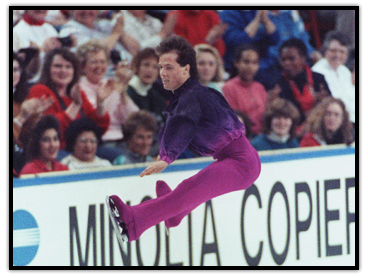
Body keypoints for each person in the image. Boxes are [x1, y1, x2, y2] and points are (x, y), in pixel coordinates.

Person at [106, 36, 261, 243]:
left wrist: (166, 157)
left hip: (241, 163)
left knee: (190, 188)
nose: (161, 72)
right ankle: (175, 216)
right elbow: (173, 125)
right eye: (161, 67)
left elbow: (183, 127)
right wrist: (165, 154)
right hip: (237, 159)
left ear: (186, 69)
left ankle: (134, 222)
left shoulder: (192, 98)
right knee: (190, 188)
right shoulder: (189, 96)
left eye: (168, 67)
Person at [26, 48, 110, 148]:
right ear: (48, 69)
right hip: (56, 150)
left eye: (68, 67)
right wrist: (75, 105)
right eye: (58, 66)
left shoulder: (78, 94)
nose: (63, 71)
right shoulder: (39, 90)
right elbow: (51, 131)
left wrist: (100, 102)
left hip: (85, 149)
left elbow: (99, 129)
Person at [76, 40, 139, 145]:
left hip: (121, 138)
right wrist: (115, 93)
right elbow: (97, 119)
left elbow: (132, 118)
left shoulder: (109, 83)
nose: (99, 66)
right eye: (94, 62)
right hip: (97, 141)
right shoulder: (79, 87)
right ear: (83, 66)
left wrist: (123, 93)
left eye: (103, 62)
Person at [270, 38, 331, 125]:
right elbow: (289, 116)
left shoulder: (318, 78)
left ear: (303, 59)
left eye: (291, 59)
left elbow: (330, 106)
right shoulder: (278, 84)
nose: (287, 63)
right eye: (283, 59)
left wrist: (324, 102)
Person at [222, 44, 268, 136]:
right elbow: (234, 118)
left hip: (262, 135)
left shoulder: (259, 87)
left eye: (254, 63)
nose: (250, 67)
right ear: (236, 63)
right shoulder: (229, 87)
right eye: (246, 62)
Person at [311, 31, 355, 126]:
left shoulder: (344, 71)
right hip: (334, 121)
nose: (338, 55)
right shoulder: (317, 72)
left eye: (342, 52)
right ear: (325, 51)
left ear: (347, 55)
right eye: (333, 51)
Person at [61, 10, 139, 62]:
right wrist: (115, 34)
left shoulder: (105, 25)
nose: (87, 11)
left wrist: (120, 30)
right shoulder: (68, 31)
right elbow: (93, 54)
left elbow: (136, 50)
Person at [220, 10, 280, 75]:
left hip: (265, 67)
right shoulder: (227, 14)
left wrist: (266, 21)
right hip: (237, 70)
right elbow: (238, 42)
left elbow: (275, 39)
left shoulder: (258, 11)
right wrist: (256, 20)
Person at [127, 47, 167, 124]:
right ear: (137, 67)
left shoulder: (158, 96)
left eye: (155, 67)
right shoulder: (128, 92)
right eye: (146, 65)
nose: (150, 70)